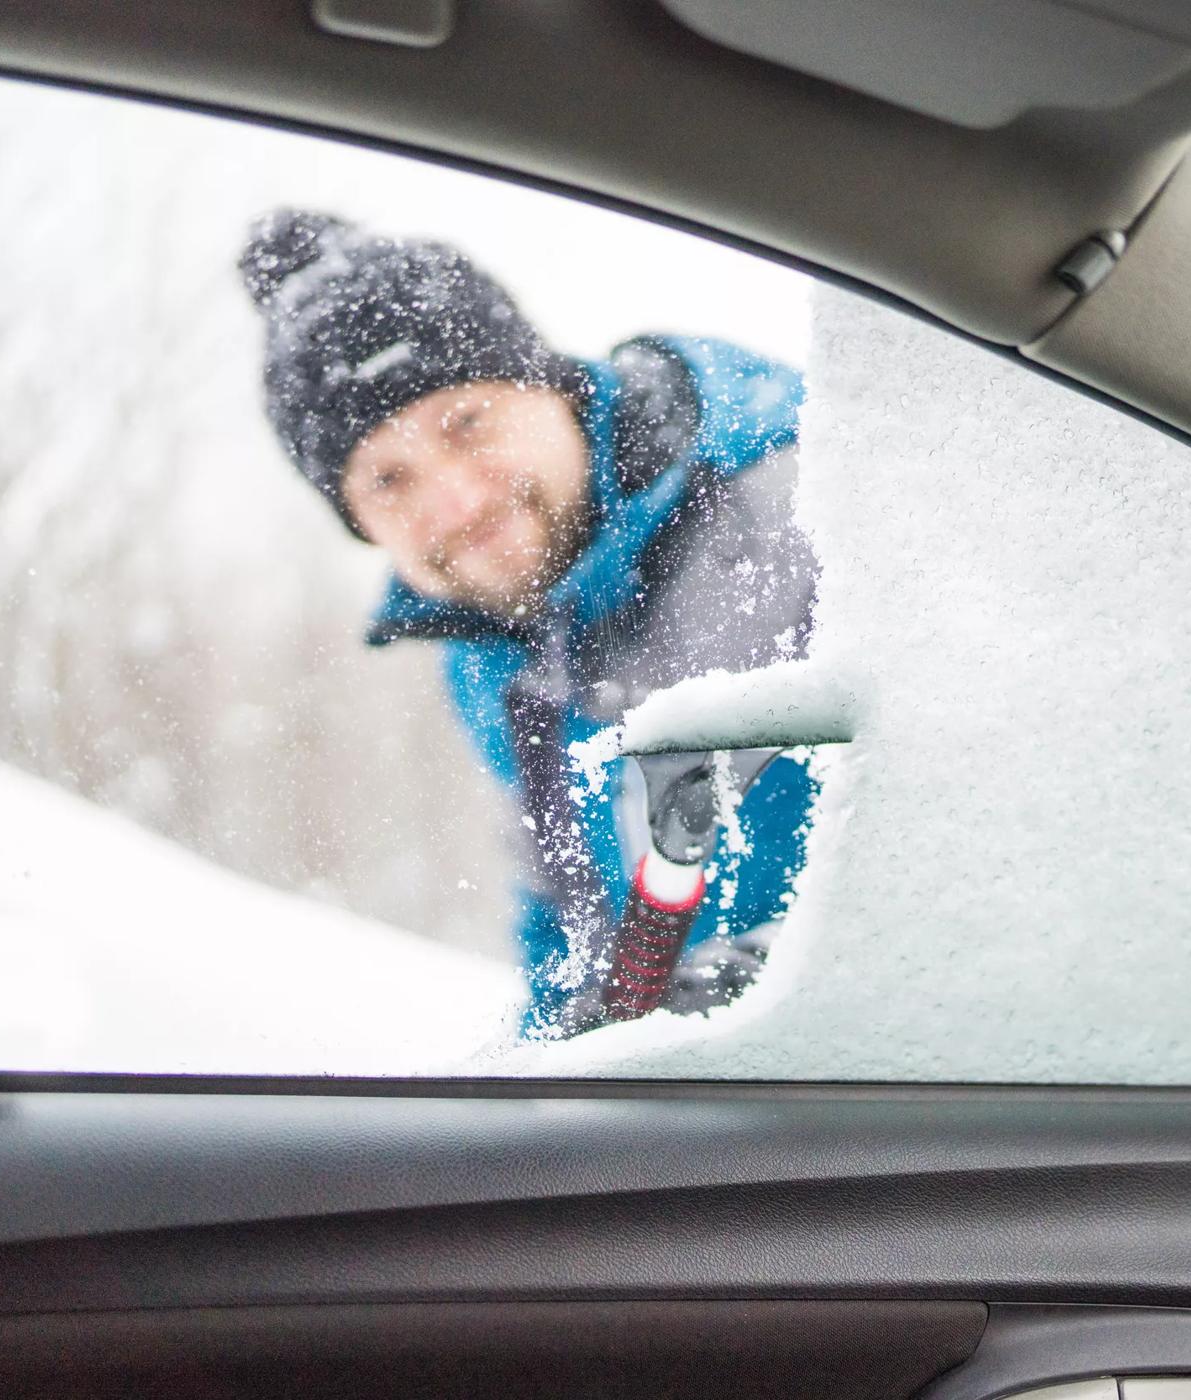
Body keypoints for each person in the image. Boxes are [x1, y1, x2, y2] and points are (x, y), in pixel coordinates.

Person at [239, 209, 818, 1036]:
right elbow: (567, 918)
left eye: (467, 424)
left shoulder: (802, 512)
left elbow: (981, 816)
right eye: (390, 481)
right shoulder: (490, 658)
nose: (458, 503)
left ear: (551, 384)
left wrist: (785, 973)